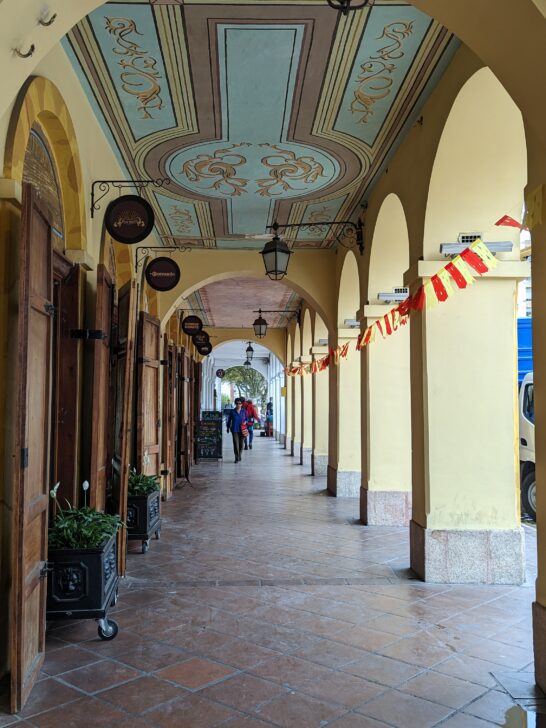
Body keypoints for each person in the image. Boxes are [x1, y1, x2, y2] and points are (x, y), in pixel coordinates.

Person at [226, 398, 247, 463]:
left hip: (242, 430)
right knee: (236, 443)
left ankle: (239, 454)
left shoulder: (244, 411)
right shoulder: (232, 411)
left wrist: (245, 422)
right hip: (234, 429)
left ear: (241, 404)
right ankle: (236, 457)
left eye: (239, 403)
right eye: (237, 403)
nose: (238, 405)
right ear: (235, 404)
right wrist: (228, 427)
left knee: (241, 444)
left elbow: (247, 419)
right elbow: (229, 420)